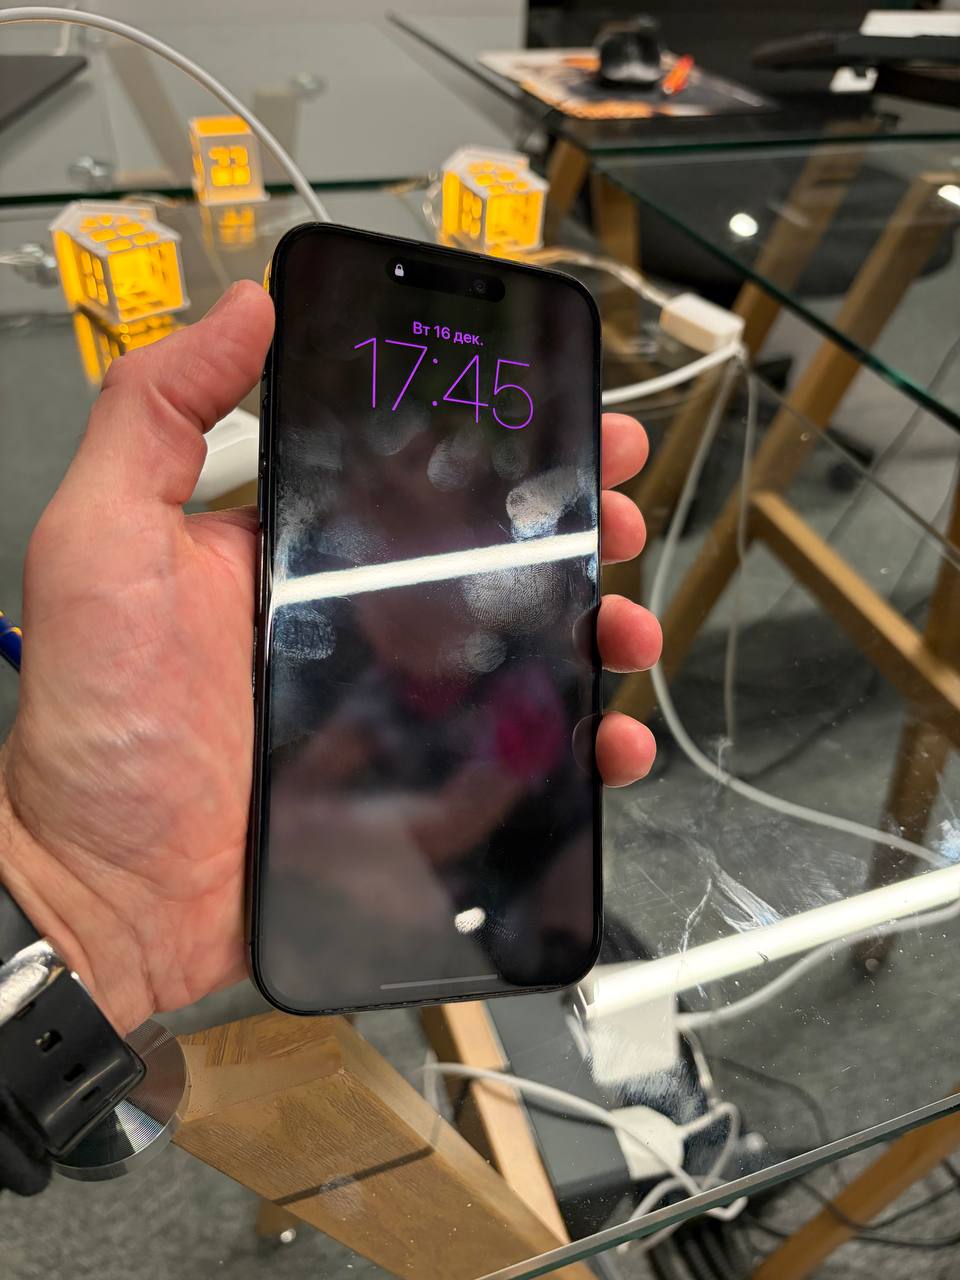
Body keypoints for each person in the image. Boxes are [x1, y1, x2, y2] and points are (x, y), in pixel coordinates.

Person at [0, 279, 661, 1041]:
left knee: (572, 923)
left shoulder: (520, 676)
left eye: (420, 496)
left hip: (497, 884)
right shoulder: (338, 664)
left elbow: (455, 815)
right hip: (397, 895)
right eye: (379, 496)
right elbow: (350, 798)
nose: (408, 476)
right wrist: (75, 897)